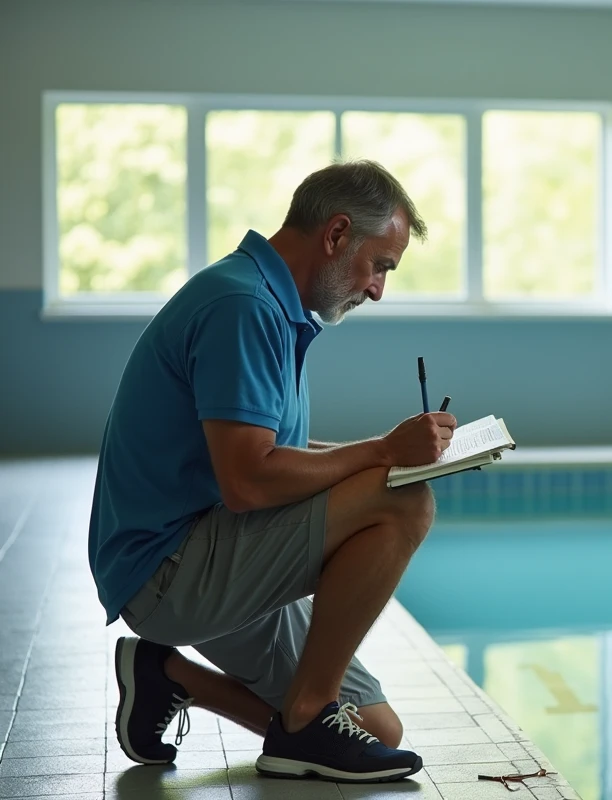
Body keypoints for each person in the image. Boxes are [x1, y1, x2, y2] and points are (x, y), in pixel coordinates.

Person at [87, 160, 457, 783]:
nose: (377, 290)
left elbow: (269, 448)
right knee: (406, 501)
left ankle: (167, 677)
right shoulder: (244, 306)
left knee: (375, 731)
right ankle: (306, 717)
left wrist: (380, 451)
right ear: (337, 235)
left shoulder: (267, 300)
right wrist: (381, 454)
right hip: (169, 570)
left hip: (209, 551)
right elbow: (250, 480)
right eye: (380, 266)